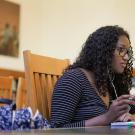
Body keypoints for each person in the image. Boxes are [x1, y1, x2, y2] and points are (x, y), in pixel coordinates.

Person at [50, 25, 135, 128]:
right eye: (121, 50)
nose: (126, 57)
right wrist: (107, 118)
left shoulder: (109, 82)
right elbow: (57, 128)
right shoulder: (73, 79)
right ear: (104, 50)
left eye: (127, 52)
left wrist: (130, 117)